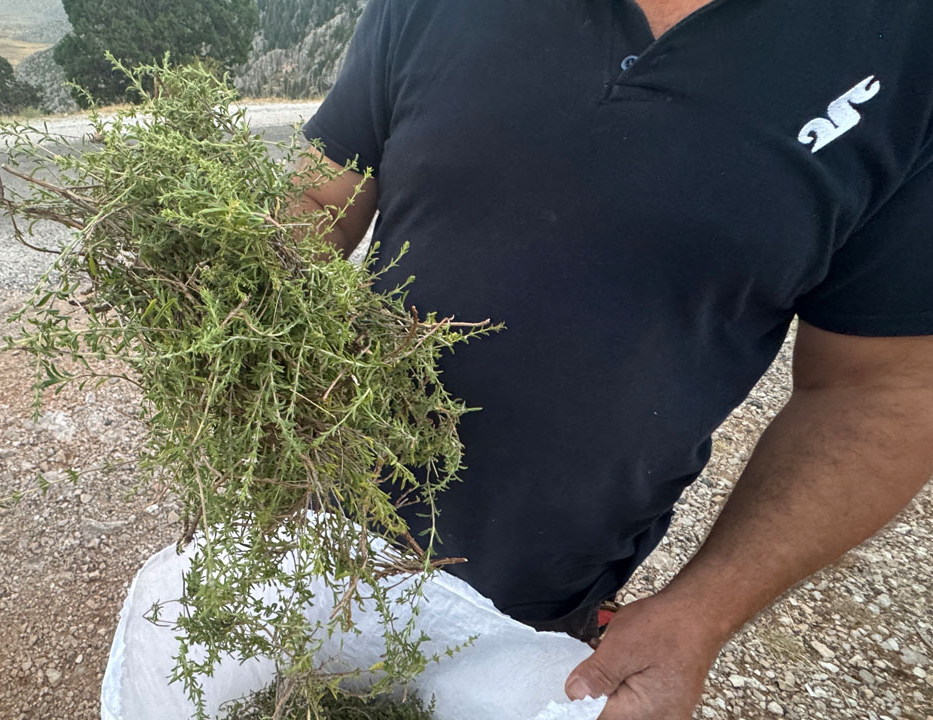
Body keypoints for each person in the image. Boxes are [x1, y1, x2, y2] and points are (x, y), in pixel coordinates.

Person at [297, 1, 933, 717]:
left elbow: (882, 389)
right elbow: (314, 198)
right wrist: (204, 285)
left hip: (538, 622)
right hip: (304, 543)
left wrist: (701, 613)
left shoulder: (907, 45)